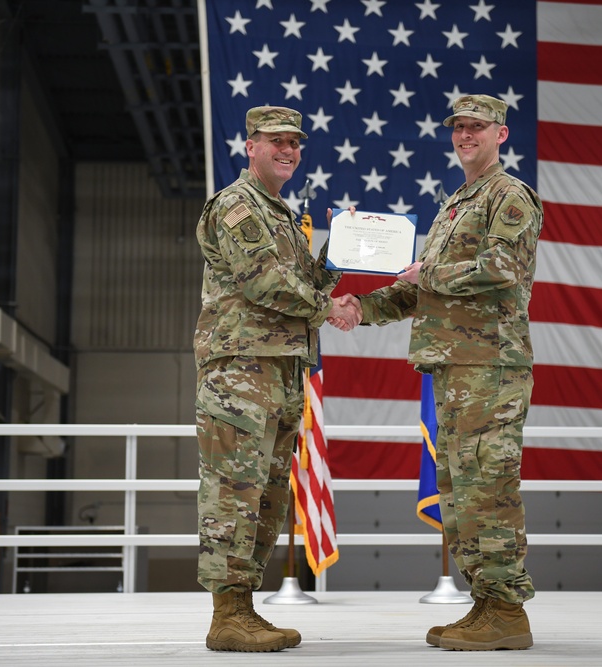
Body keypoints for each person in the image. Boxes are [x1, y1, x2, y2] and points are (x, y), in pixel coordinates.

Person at [339, 94, 543, 651]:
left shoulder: (509, 195)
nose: (465, 136)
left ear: (501, 135)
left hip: (490, 369)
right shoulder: (455, 203)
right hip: (454, 370)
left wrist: (428, 272)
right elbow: (417, 288)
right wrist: (359, 305)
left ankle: (507, 611)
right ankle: (486, 603)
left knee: (489, 488)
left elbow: (501, 269)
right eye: (458, 127)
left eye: (477, 127)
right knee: (460, 492)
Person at [193, 105, 360, 652]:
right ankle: (226, 614)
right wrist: (329, 309)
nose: (287, 150)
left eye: (295, 143)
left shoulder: (282, 214)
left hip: (280, 371)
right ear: (251, 146)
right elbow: (264, 283)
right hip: (240, 373)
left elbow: (304, 278)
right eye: (275, 141)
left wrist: (345, 246)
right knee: (232, 493)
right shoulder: (238, 206)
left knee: (266, 496)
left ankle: (243, 606)